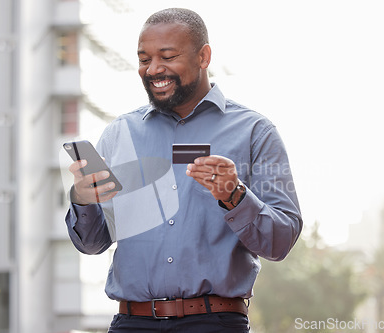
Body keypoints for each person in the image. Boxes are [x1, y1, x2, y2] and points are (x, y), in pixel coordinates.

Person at [65, 7, 302, 333]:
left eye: (167, 56)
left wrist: (235, 197)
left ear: (203, 57)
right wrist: (82, 198)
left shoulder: (254, 132)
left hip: (215, 323)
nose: (153, 70)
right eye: (144, 59)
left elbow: (281, 242)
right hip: (131, 324)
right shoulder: (120, 134)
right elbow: (92, 243)